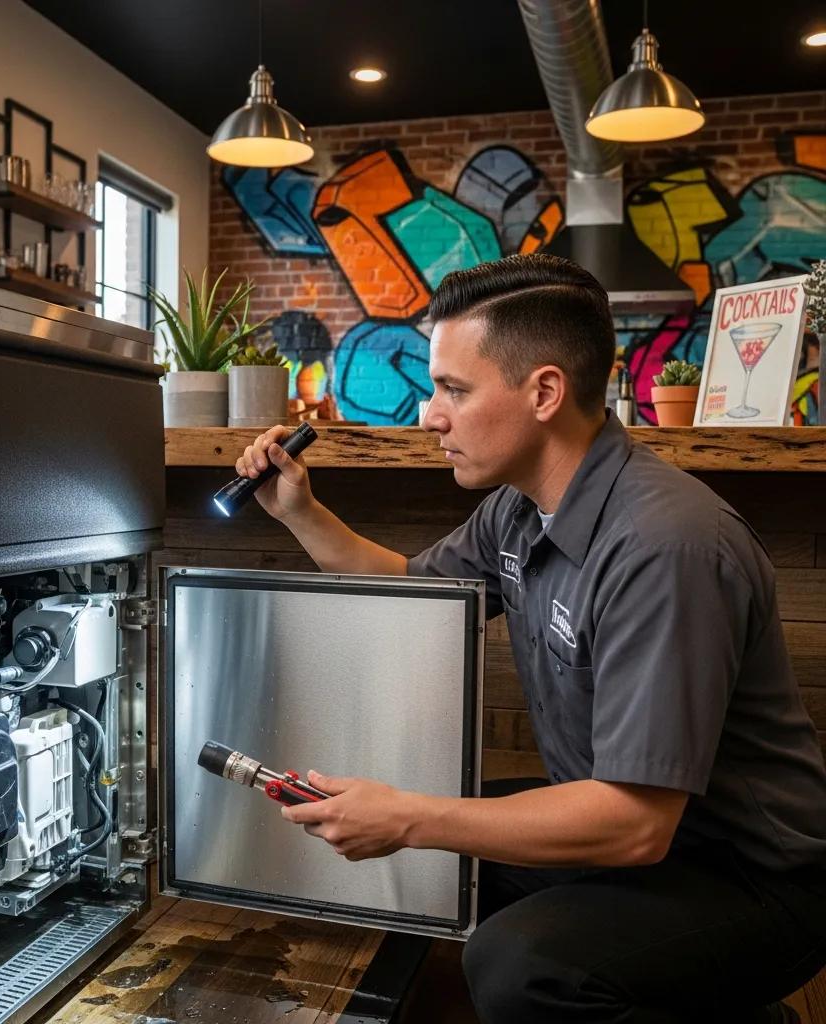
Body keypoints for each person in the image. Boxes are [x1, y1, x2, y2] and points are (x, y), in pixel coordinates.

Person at [232, 254, 826, 1023]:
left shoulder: (666, 546)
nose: (427, 415)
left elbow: (636, 825)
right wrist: (298, 512)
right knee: (440, 864)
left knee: (517, 966)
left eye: (453, 389)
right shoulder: (518, 508)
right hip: (642, 832)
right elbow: (414, 595)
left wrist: (410, 815)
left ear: (544, 391)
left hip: (751, 876)